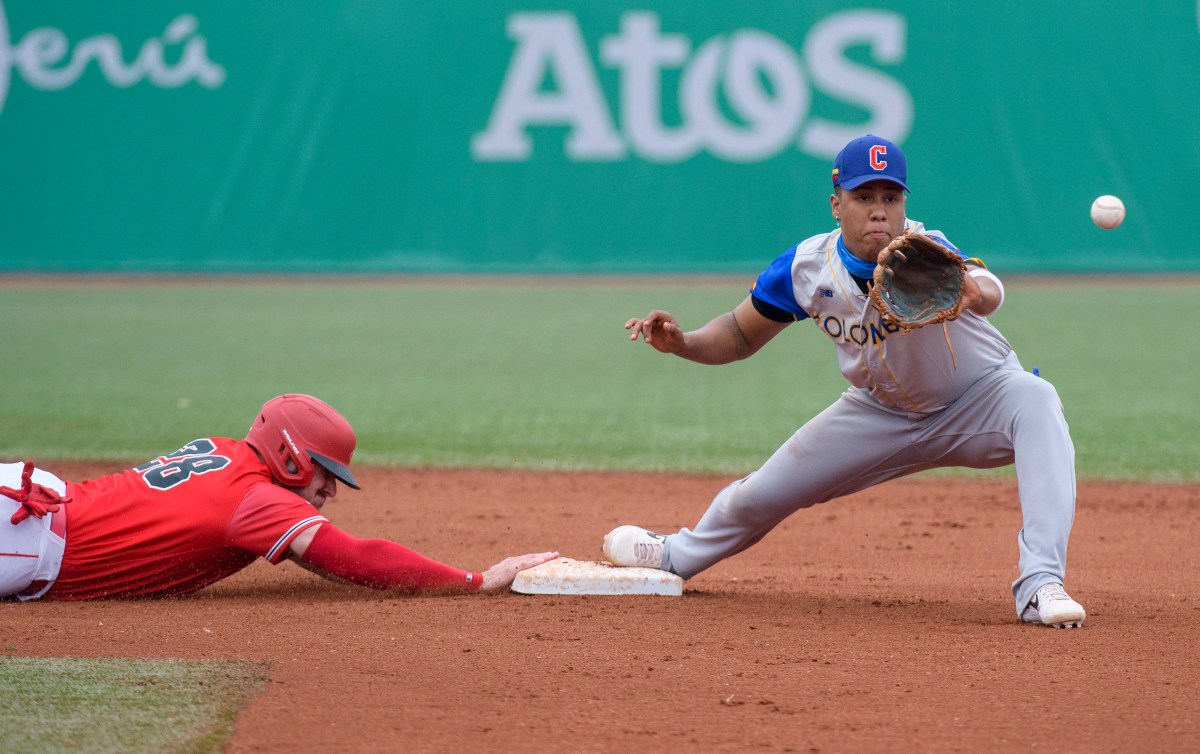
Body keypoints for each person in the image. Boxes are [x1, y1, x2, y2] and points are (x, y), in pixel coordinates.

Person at [604, 134, 1085, 629]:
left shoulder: (928, 250)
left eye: (891, 198)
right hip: (880, 413)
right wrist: (683, 343)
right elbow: (738, 334)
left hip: (981, 400)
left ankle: (1041, 584)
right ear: (837, 205)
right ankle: (674, 556)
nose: (879, 211)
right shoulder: (806, 268)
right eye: (864, 198)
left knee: (1037, 399)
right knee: (761, 493)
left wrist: (971, 292)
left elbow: (989, 289)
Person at [1, 393, 558, 601]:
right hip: (26, 533)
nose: (330, 489)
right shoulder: (257, 500)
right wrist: (477, 580)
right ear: (291, 456)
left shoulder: (223, 450)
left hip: (34, 505)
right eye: (324, 471)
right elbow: (356, 558)